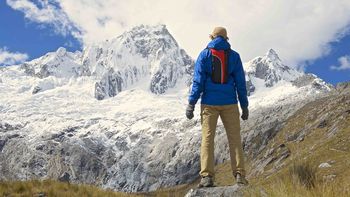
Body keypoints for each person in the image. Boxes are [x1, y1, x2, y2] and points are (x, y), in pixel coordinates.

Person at [186, 27, 249, 187]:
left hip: (209, 104)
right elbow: (241, 83)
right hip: (230, 103)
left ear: (212, 37)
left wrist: (191, 103)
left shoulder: (204, 54)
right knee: (234, 138)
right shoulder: (234, 56)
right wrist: (244, 105)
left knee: (207, 139)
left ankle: (207, 176)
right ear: (226, 38)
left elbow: (198, 82)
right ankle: (240, 175)